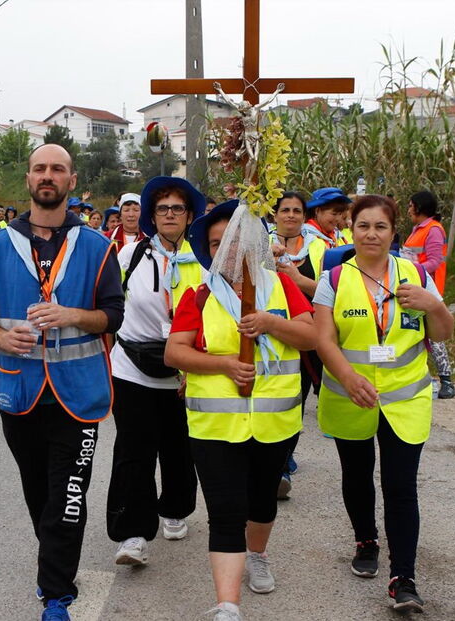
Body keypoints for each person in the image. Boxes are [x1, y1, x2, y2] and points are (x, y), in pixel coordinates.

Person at [0, 143, 124, 621]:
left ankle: (56, 593)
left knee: (68, 496)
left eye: (58, 169)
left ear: (72, 181)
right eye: (40, 169)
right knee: (39, 493)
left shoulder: (99, 247)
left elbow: (113, 314)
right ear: (29, 180)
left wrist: (73, 314)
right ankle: (54, 560)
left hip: (78, 394)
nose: (48, 176)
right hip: (20, 391)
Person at [165, 199, 316, 621]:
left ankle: (258, 553)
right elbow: (174, 353)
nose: (224, 250)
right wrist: (225, 364)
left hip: (274, 422)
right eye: (215, 244)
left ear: (251, 244)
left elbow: (310, 337)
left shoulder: (280, 287)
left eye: (232, 240)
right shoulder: (199, 296)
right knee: (225, 513)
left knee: (262, 502)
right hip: (215, 427)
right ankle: (228, 605)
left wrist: (269, 323)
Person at [313, 194, 453, 613]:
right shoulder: (334, 279)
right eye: (363, 226)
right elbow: (324, 339)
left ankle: (404, 577)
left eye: (380, 227)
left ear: (394, 233)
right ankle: (366, 541)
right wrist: (350, 377)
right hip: (350, 395)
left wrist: (434, 305)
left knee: (400, 486)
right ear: (350, 229)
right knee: (356, 476)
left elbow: (442, 332)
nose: (371, 234)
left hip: (405, 401)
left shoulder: (414, 275)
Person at [106, 176, 204, 568]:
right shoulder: (130, 256)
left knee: (180, 447)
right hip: (132, 367)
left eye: (177, 208)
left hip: (186, 371)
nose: (169, 215)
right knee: (133, 450)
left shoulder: (204, 260)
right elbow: (111, 307)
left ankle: (175, 509)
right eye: (162, 208)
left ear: (189, 216)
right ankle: (132, 533)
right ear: (152, 215)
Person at [269, 191, 328, 496]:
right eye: (285, 210)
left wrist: (297, 279)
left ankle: (284, 453)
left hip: (313, 333)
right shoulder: (261, 244)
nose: (290, 215)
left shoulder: (320, 248)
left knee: (300, 401)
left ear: (304, 216)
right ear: (274, 214)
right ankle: (278, 467)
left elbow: (331, 289)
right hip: (275, 334)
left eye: (296, 210)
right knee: (281, 396)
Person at [402, 190, 455, 399]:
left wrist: (412, 272)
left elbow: (435, 261)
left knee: (434, 335)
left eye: (410, 205)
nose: (408, 210)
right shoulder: (418, 229)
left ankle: (447, 381)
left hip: (426, 292)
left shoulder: (433, 230)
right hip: (414, 289)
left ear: (419, 207)